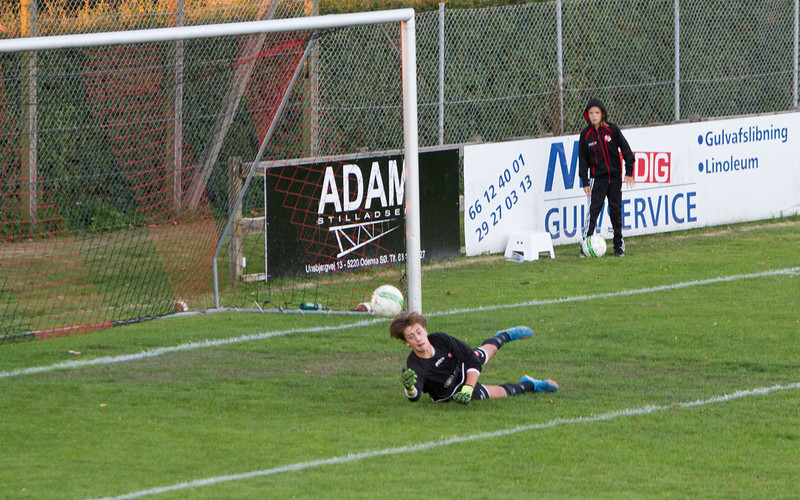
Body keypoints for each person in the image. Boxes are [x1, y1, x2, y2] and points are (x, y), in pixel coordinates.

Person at [390, 311, 558, 404]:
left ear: (425, 331)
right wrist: (409, 388)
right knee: (502, 393)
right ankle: (530, 384)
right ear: (406, 343)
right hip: (451, 392)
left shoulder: (440, 339)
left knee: (483, 354)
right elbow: (415, 396)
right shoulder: (415, 365)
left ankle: (505, 336)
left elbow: (471, 359)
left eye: (419, 332)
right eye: (411, 337)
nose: (418, 339)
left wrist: (468, 387)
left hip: (462, 366)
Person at [578, 98, 636, 258]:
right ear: (587, 115)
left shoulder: (612, 130)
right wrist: (584, 181)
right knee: (593, 212)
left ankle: (619, 246)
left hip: (615, 179)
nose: (594, 116)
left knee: (616, 212)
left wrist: (629, 171)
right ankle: (585, 245)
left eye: (597, 112)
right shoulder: (585, 134)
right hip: (597, 180)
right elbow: (582, 159)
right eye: (591, 113)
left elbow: (627, 151)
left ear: (602, 114)